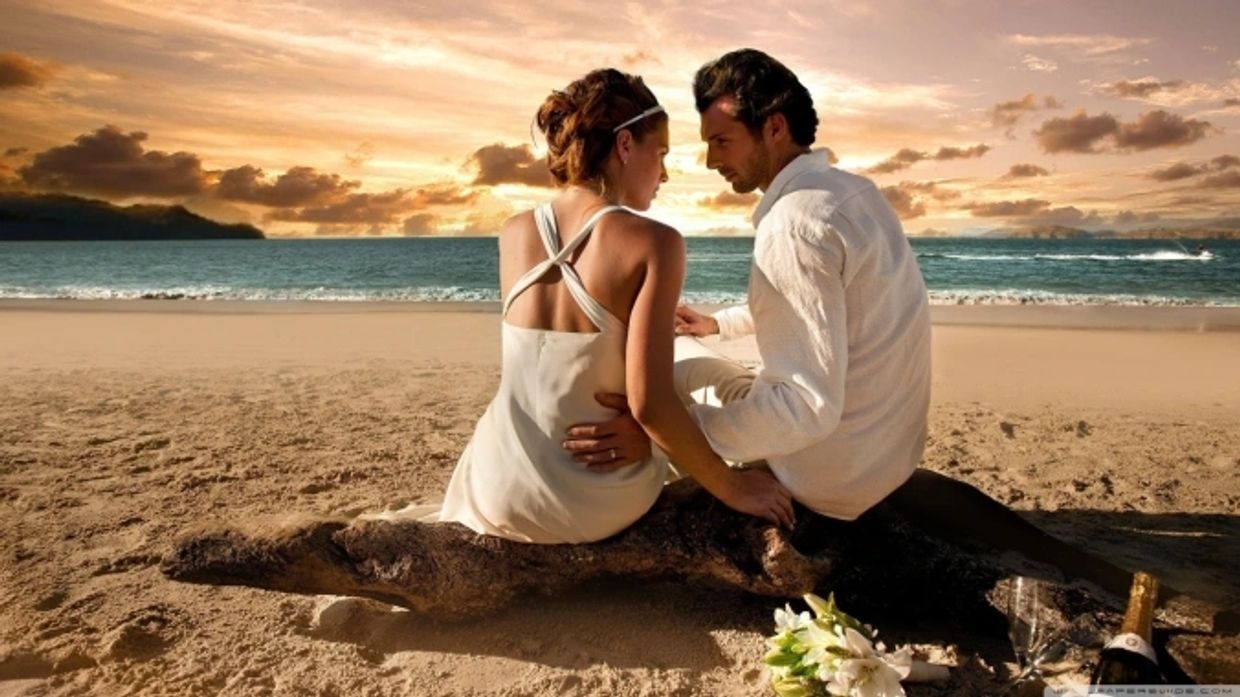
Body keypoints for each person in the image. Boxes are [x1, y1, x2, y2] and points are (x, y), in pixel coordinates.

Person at [563, 49, 1139, 599]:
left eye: (721, 141)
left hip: (829, 479)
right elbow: (831, 317)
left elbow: (806, 408)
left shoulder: (793, 226)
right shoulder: (852, 194)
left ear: (775, 127)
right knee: (706, 357)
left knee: (679, 372)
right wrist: (719, 323)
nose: (712, 161)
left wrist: (674, 435)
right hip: (885, 455)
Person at [384, 68, 795, 544]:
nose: (663, 174)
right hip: (589, 499)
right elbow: (650, 404)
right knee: (704, 370)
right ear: (625, 145)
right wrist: (732, 487)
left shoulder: (514, 231)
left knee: (679, 362)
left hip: (493, 488)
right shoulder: (656, 242)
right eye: (659, 154)